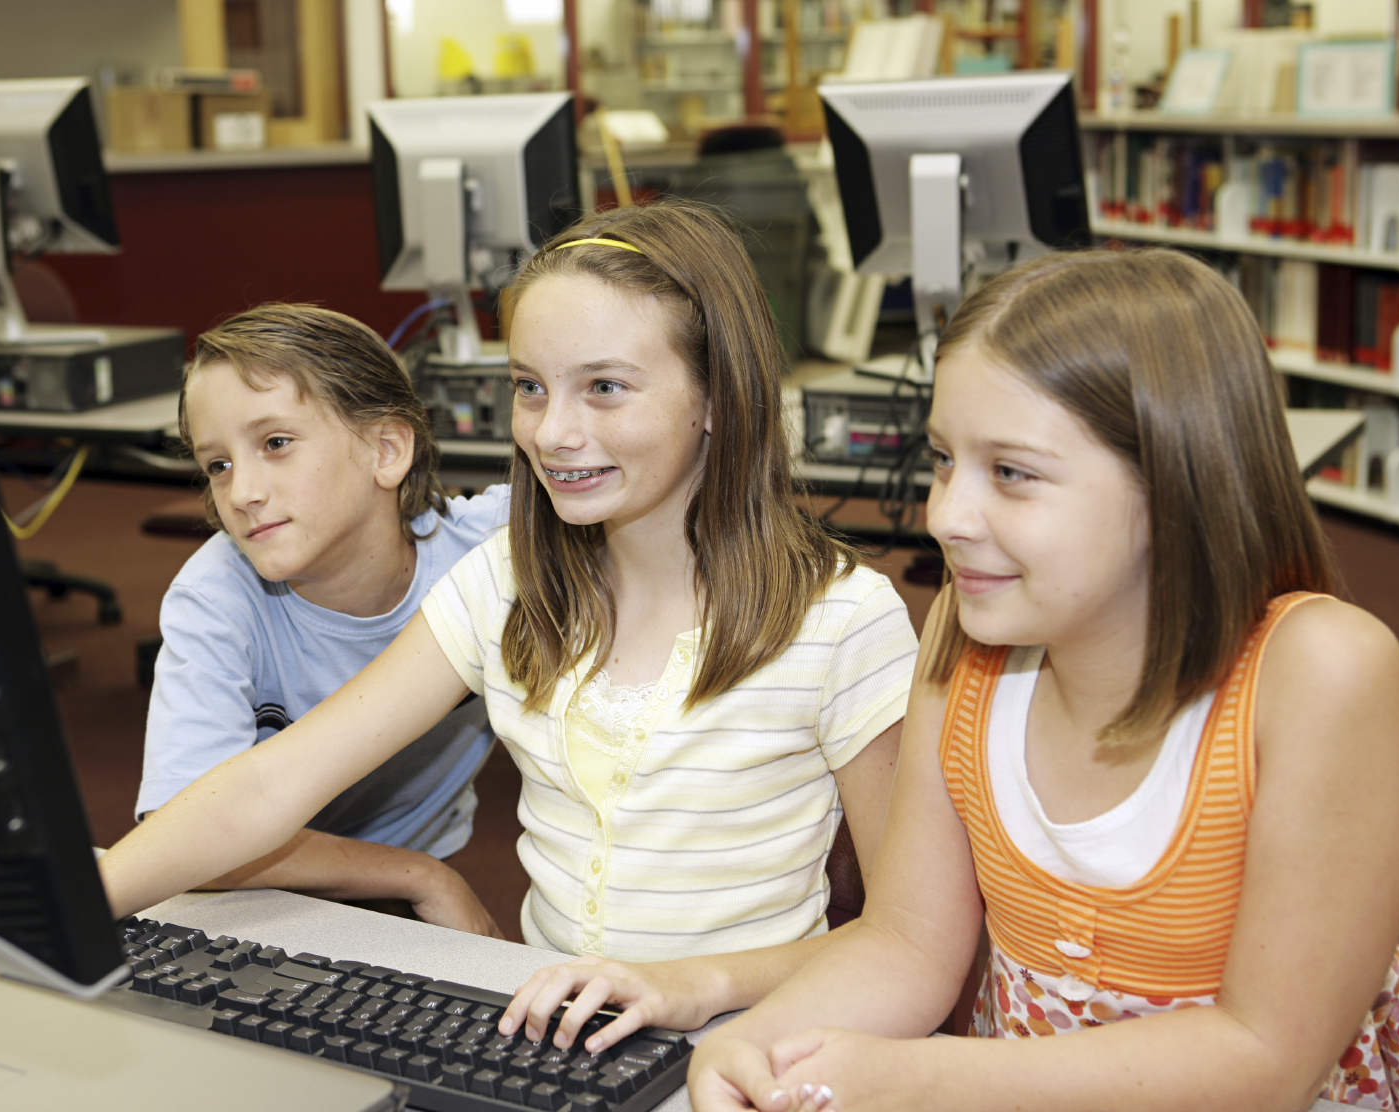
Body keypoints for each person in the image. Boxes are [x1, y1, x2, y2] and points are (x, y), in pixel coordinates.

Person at [99, 201, 919, 1040]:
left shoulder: (842, 621)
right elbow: (268, 786)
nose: (554, 433)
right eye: (530, 387)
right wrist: (76, 905)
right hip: (549, 1036)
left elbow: (908, 940)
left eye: (604, 387)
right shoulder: (506, 583)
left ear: (717, 394)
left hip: (755, 1037)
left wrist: (692, 986)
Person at [690, 248, 1399, 1112]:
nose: (946, 516)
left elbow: (1266, 1057)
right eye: (941, 460)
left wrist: (920, 1079)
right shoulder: (961, 641)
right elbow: (908, 940)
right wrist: (757, 1040)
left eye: (1011, 473)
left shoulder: (1322, 674)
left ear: (1175, 478)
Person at [136, 303, 510, 936]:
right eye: (217, 465)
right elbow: (183, 836)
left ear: (387, 449)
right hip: (251, 887)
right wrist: (417, 875)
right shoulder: (217, 593)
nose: (242, 492)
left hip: (404, 884)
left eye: (276, 444)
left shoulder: (491, 552)